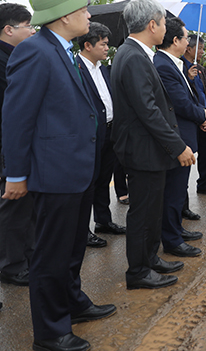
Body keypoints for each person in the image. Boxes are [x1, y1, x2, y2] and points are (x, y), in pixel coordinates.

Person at [2, 0, 115, 351]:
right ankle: (50, 333)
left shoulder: (63, 50)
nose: (88, 15)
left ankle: (72, 302)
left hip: (77, 170)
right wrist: (17, 174)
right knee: (50, 256)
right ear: (65, 15)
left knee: (71, 248)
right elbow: (17, 118)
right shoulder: (35, 51)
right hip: (54, 174)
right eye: (84, 9)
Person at [111, 0, 195, 290]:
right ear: (152, 25)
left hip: (147, 148)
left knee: (151, 210)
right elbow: (148, 110)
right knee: (143, 213)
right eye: (162, 23)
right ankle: (138, 271)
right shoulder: (134, 56)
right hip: (143, 149)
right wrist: (178, 146)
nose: (164, 29)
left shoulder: (135, 52)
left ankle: (149, 259)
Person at [154, 17, 206, 258]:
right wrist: (203, 115)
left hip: (183, 136)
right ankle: (172, 240)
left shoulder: (174, 64)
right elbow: (180, 103)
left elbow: (188, 96)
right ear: (176, 40)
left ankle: (176, 229)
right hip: (176, 140)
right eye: (187, 38)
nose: (189, 43)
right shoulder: (163, 65)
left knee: (178, 191)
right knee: (173, 192)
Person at [76, 22, 127, 250]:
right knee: (88, 182)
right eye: (103, 44)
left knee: (104, 179)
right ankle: (82, 230)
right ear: (88, 45)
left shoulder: (104, 69)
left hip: (109, 131)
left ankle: (103, 221)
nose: (107, 48)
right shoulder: (76, 69)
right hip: (90, 135)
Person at [0, 3, 36, 288]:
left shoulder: (16, 57)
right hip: (7, 148)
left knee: (23, 208)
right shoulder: (5, 62)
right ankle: (11, 265)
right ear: (8, 30)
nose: (33, 31)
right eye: (28, 26)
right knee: (12, 208)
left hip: (17, 146)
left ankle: (23, 258)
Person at [182, 34, 206, 201]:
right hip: (189, 117)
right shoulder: (180, 67)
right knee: (188, 153)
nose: (203, 51)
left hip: (205, 116)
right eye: (200, 48)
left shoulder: (201, 69)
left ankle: (204, 183)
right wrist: (188, 77)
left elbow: (205, 92)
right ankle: (182, 192)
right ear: (188, 48)